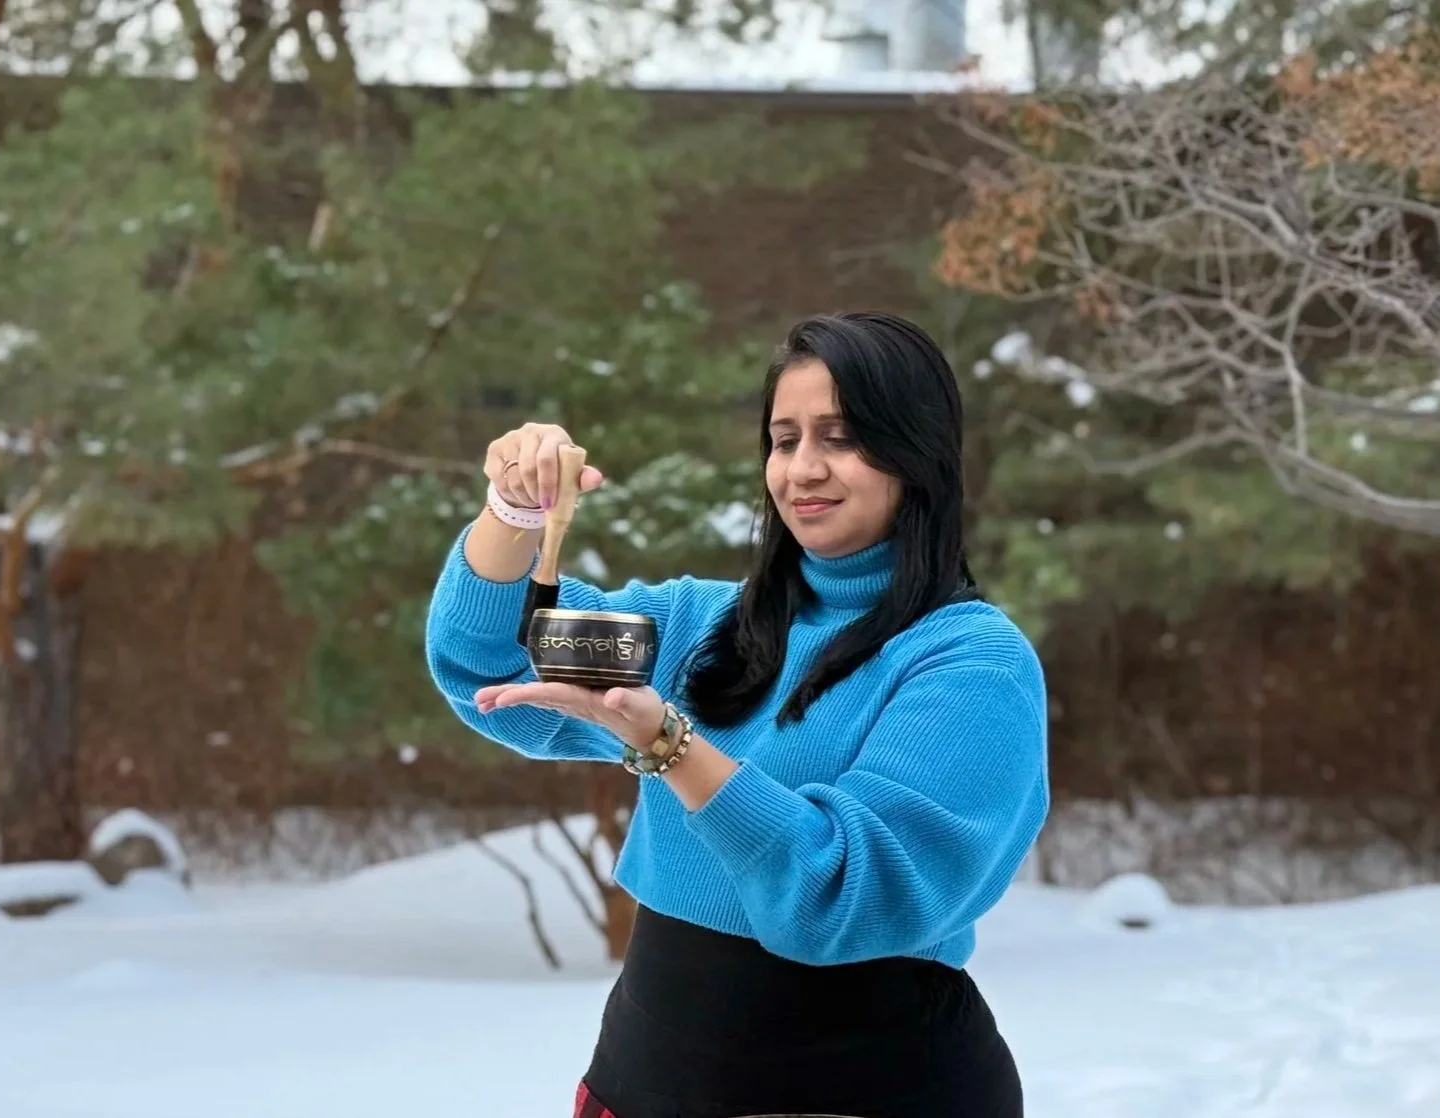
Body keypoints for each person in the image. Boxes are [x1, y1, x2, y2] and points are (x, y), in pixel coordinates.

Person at [424, 311, 1050, 1118]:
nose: (803, 469)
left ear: (916, 451)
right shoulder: (706, 626)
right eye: (784, 441)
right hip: (641, 1081)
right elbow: (487, 662)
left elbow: (839, 897)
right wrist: (512, 513)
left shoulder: (970, 662)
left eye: (840, 438)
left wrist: (669, 747)